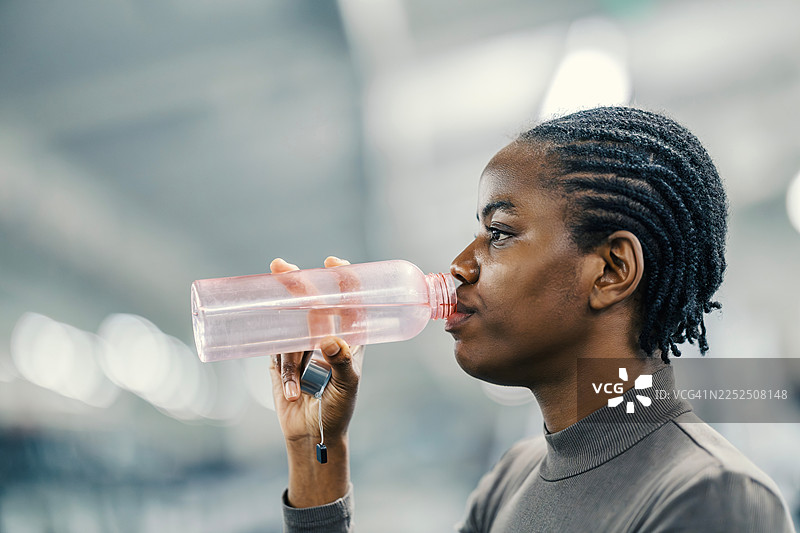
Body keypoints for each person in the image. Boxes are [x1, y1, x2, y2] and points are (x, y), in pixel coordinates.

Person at [267, 107, 796, 532]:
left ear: (611, 271)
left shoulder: (713, 496)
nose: (459, 265)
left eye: (498, 234)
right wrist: (316, 450)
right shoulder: (509, 482)